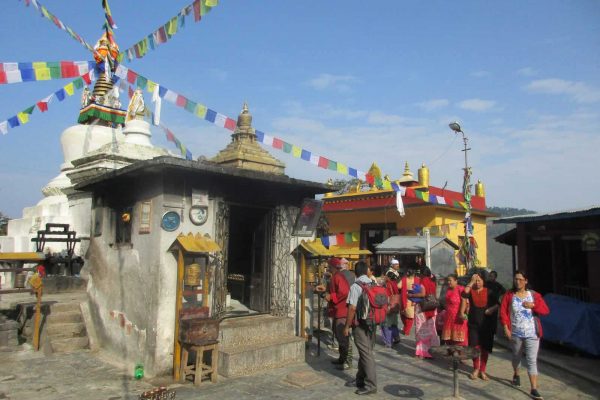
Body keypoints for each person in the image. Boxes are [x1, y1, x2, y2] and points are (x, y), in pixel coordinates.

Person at [500, 271, 550, 400]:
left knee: (531, 360)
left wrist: (533, 305)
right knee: (516, 357)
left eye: (521, 279)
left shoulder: (533, 295)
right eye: (516, 279)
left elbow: (545, 310)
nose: (518, 282)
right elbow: (503, 312)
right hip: (516, 332)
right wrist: (506, 327)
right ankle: (516, 374)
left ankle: (534, 388)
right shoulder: (509, 295)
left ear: (526, 281)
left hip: (532, 333)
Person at [343, 261, 377, 396]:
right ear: (367, 271)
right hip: (372, 324)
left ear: (355, 272)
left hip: (360, 325)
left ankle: (371, 385)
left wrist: (347, 326)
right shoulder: (373, 284)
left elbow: (352, 308)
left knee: (366, 355)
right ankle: (360, 380)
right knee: (365, 352)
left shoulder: (356, 286)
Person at [460, 272, 499, 381]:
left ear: (483, 281)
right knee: (475, 347)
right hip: (473, 324)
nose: (477, 282)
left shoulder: (489, 291)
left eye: (479, 280)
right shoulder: (471, 291)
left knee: (485, 348)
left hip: (486, 324)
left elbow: (498, 303)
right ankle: (476, 368)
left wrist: (491, 309)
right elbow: (464, 294)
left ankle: (483, 370)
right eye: (476, 280)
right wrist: (471, 282)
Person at [324, 257, 352, 370]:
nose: (328, 268)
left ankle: (348, 361)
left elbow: (344, 292)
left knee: (343, 336)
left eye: (329, 266)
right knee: (339, 335)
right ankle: (342, 358)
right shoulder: (335, 277)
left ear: (333, 267)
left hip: (341, 311)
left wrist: (331, 296)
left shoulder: (338, 277)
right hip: (337, 310)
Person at [410, 266, 440, 359]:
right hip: (432, 308)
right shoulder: (433, 281)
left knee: (421, 330)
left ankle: (422, 352)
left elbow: (423, 294)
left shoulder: (424, 281)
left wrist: (411, 295)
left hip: (423, 309)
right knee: (430, 329)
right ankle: (430, 351)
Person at [441, 274, 468, 346]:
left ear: (456, 281)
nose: (448, 282)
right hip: (449, 317)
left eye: (450, 280)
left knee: (458, 342)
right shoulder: (448, 290)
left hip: (458, 317)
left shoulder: (460, 289)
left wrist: (462, 313)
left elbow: (464, 300)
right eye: (448, 280)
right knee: (450, 341)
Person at [381, 260, 401, 347]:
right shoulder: (395, 284)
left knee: (386, 324)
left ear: (388, 277)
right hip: (395, 305)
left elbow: (387, 296)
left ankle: (388, 342)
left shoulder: (388, 284)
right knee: (394, 323)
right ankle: (396, 337)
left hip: (389, 305)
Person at [398, 269, 418, 336]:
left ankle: (406, 329)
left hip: (405, 298)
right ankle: (406, 329)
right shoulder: (417, 279)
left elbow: (398, 286)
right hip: (413, 299)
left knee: (404, 314)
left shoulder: (404, 279)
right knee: (410, 316)